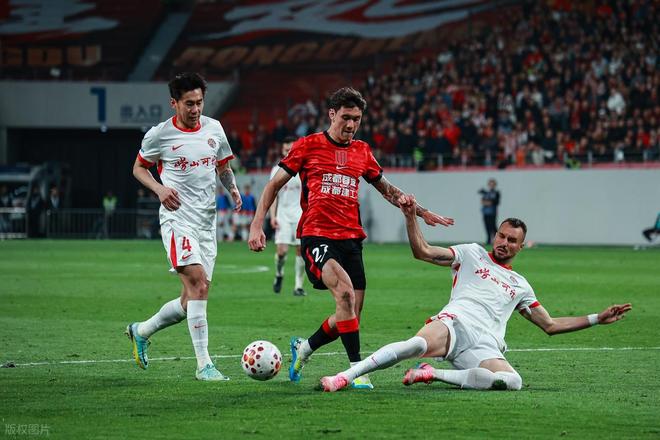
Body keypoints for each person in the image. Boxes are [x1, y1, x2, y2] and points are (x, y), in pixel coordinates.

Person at [248, 87, 454, 389]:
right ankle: (357, 370)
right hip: (317, 235)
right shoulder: (308, 146)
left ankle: (304, 348)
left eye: (356, 119)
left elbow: (387, 189)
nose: (351, 124)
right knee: (344, 294)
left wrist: (421, 212)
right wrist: (257, 225)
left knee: (348, 314)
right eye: (346, 117)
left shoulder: (362, 151)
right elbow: (273, 185)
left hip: (351, 239)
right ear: (332, 114)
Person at [319, 195, 632, 392]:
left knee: (512, 382)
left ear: (521, 246)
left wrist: (597, 318)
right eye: (501, 236)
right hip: (455, 324)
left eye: (512, 240)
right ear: (495, 235)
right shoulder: (471, 253)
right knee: (415, 344)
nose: (504, 243)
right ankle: (345, 376)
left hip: (485, 344)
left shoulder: (520, 285)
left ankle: (433, 374)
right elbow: (423, 252)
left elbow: (549, 325)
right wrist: (410, 216)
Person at [127, 72, 242, 381]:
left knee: (191, 298)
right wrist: (160, 189)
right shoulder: (159, 135)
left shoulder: (214, 128)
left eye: (199, 102)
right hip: (178, 220)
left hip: (206, 224)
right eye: (189, 103)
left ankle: (141, 331)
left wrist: (232, 188)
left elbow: (223, 166)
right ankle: (204, 365)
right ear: (174, 103)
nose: (195, 109)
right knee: (199, 285)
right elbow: (139, 168)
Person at [269, 136, 306, 296]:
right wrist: (273, 216)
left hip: (300, 214)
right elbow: (272, 195)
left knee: (300, 250)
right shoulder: (276, 169)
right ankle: (279, 274)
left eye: (290, 149)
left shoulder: (303, 169)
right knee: (282, 251)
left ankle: (298, 286)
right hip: (282, 215)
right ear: (282, 150)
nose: (288, 152)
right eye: (285, 149)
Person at [479, 178, 500, 245]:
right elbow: (482, 201)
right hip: (485, 213)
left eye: (492, 184)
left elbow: (495, 202)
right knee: (487, 227)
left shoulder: (496, 193)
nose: (491, 185)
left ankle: (497, 240)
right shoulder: (486, 193)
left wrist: (488, 202)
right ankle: (488, 240)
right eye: (490, 184)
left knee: (493, 227)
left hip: (492, 213)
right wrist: (488, 202)